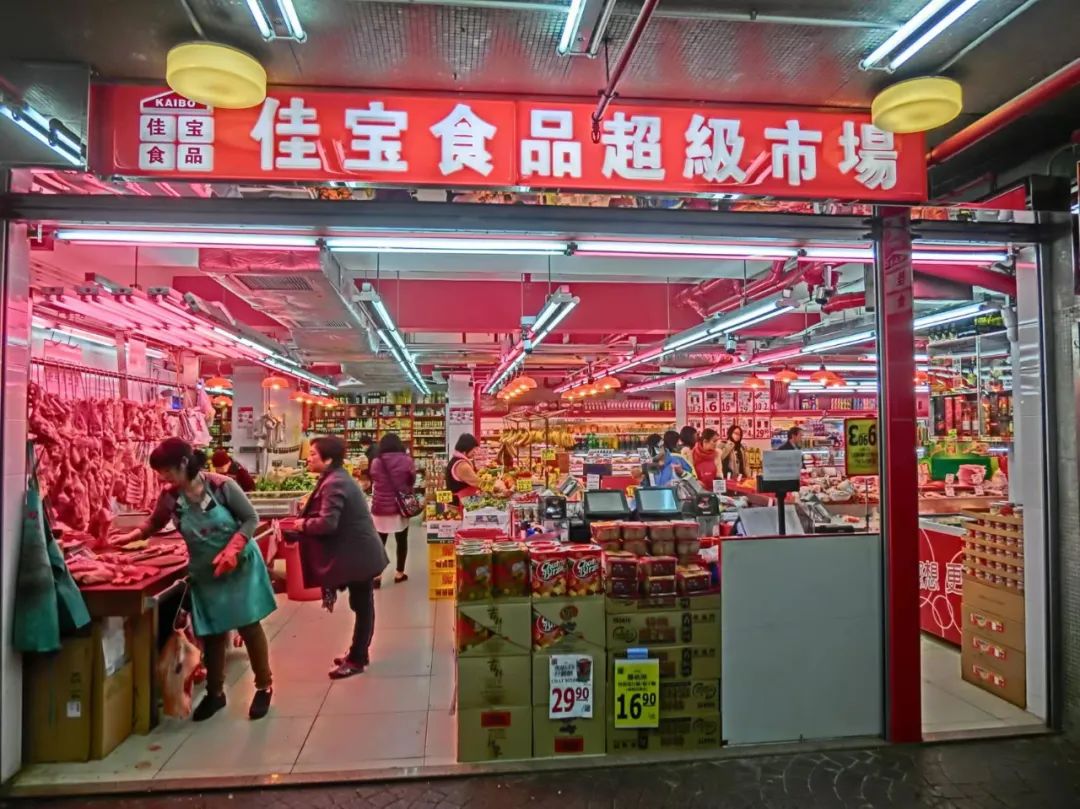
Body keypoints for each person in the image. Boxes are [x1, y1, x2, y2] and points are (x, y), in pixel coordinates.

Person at [114, 438, 276, 721]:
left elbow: (250, 518)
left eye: (167, 471)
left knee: (248, 624)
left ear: (184, 463)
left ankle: (264, 686)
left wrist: (232, 550)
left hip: (239, 565)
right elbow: (155, 522)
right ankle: (215, 694)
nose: (163, 478)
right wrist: (133, 535)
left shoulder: (222, 486)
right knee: (212, 630)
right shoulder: (170, 496)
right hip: (206, 569)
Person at [290, 436, 389, 679]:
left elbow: (328, 523)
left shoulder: (335, 483)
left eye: (313, 454)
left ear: (328, 459)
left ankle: (357, 658)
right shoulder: (336, 478)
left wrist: (303, 524)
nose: (308, 458)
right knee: (361, 604)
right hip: (358, 553)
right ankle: (358, 652)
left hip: (359, 555)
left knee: (362, 605)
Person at [368, 432, 416, 585]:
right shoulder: (407, 460)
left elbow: (373, 479)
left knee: (379, 543)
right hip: (399, 507)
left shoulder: (376, 462)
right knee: (401, 541)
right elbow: (412, 480)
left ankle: (376, 576)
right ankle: (399, 573)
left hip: (380, 507)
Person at [446, 433, 482, 504]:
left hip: (461, 499)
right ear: (467, 448)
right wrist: (496, 487)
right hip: (463, 501)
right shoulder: (462, 465)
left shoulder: (456, 459)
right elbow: (478, 482)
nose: (475, 452)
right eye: (473, 450)